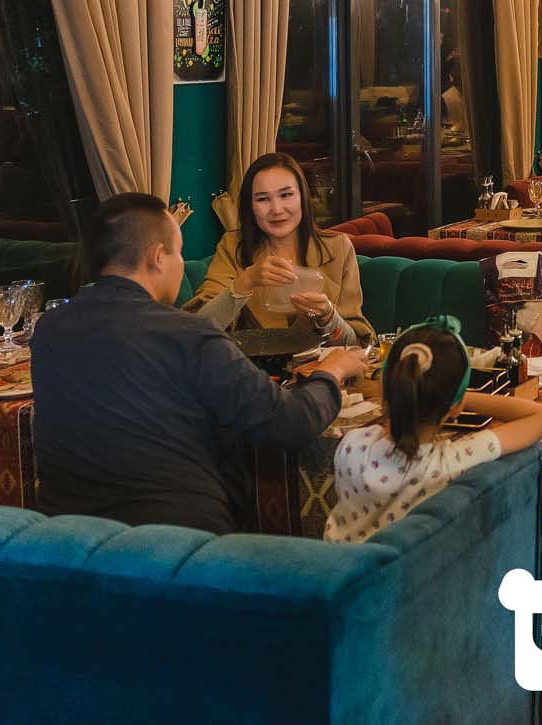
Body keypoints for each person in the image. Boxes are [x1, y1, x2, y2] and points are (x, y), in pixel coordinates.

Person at [32, 193, 365, 533]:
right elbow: (289, 422)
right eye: (179, 252)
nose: (181, 264)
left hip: (67, 538)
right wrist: (331, 372)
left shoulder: (48, 328)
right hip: (176, 540)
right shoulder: (187, 335)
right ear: (158, 257)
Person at [324, 317, 542, 543]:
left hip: (342, 566)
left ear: (383, 387)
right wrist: (460, 398)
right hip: (409, 568)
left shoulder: (350, 445)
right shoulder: (453, 462)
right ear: (455, 406)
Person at [188, 153, 372, 344]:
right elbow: (199, 329)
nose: (276, 209)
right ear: (250, 206)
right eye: (262, 199)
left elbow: (356, 343)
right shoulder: (233, 246)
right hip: (250, 362)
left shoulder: (338, 247)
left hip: (326, 362)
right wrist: (245, 282)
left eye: (286, 195)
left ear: (303, 196)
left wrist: (328, 315)